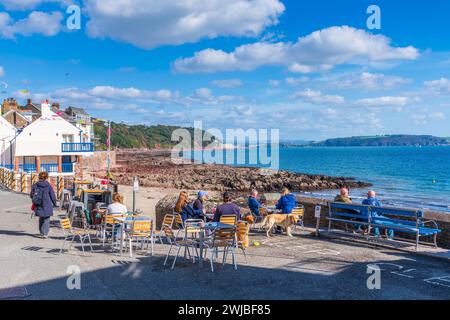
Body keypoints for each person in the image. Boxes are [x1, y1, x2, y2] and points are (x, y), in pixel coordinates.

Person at [30, 172, 57, 238]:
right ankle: (45, 233)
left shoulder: (35, 185)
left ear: (39, 177)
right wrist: (55, 203)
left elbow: (31, 195)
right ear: (46, 178)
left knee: (41, 218)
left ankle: (41, 232)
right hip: (47, 204)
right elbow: (52, 195)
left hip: (38, 204)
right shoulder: (48, 185)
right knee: (46, 219)